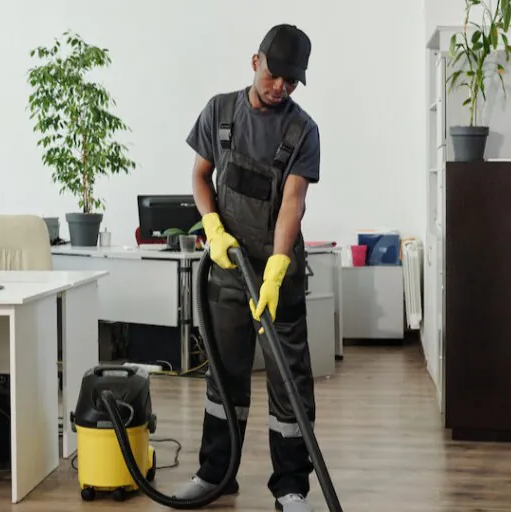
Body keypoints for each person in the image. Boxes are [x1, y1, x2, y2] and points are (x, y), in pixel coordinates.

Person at [172, 24, 321, 512]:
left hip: (279, 279)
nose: (281, 87)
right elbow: (200, 176)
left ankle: (291, 489)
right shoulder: (220, 112)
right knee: (224, 377)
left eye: (291, 81)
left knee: (289, 384)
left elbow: (292, 203)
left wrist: (276, 268)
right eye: (275, 75)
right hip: (228, 272)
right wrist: (212, 227)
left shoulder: (302, 130)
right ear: (255, 62)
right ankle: (215, 476)